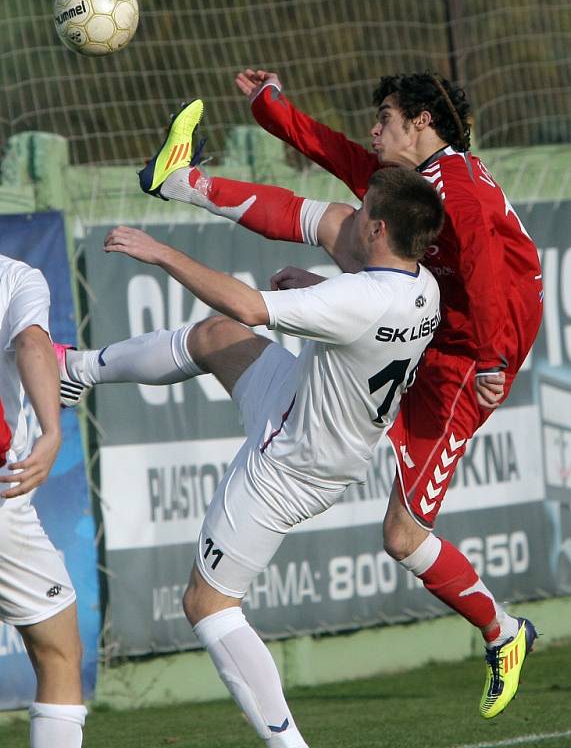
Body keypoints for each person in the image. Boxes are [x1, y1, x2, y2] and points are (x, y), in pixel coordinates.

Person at [58, 70, 542, 720]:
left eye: (386, 116)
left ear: (422, 122)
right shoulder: (420, 186)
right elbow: (338, 156)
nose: (374, 129)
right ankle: (176, 185)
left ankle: (501, 631)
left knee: (400, 537)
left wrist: (489, 357)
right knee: (303, 250)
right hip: (430, 324)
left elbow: (482, 261)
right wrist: (271, 108)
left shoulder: (455, 194)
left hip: (463, 356)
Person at [70, 163, 444, 747]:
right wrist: (317, 290)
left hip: (290, 465)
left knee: (208, 603)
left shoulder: (357, 297)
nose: (354, 216)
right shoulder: (424, 287)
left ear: (377, 230)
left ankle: (287, 744)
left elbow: (253, 305)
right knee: (218, 337)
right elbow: (356, 304)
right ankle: (79, 369)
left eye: (363, 209)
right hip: (309, 411)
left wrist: (161, 252)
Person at [0, 253, 86, 747]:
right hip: (4, 491)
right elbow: (31, 341)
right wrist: (51, 431)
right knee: (58, 653)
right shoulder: (17, 275)